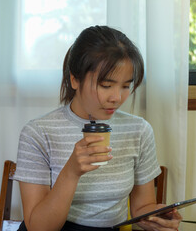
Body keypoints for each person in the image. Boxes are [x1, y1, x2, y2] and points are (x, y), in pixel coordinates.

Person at [14, 25, 182, 231]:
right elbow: (38, 228)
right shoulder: (38, 133)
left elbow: (141, 208)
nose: (117, 98)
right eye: (106, 85)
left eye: (125, 86)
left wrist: (156, 219)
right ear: (75, 79)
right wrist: (71, 172)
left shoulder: (138, 130)